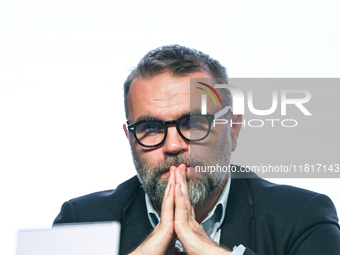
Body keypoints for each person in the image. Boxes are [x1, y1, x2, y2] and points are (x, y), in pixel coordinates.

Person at [53, 45, 340, 255]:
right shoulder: (81, 221)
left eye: (192, 123)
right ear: (131, 139)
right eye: (150, 128)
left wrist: (204, 247)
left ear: (233, 129)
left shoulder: (301, 215)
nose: (174, 145)